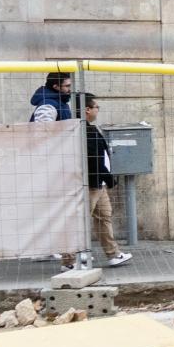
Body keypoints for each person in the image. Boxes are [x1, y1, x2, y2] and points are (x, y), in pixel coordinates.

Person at [61, 93, 132, 270]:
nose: (97, 110)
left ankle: (113, 254)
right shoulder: (84, 131)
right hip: (90, 184)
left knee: (104, 216)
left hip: (98, 184)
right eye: (96, 107)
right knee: (79, 221)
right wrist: (108, 177)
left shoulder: (88, 129)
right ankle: (69, 262)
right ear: (87, 109)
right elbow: (94, 161)